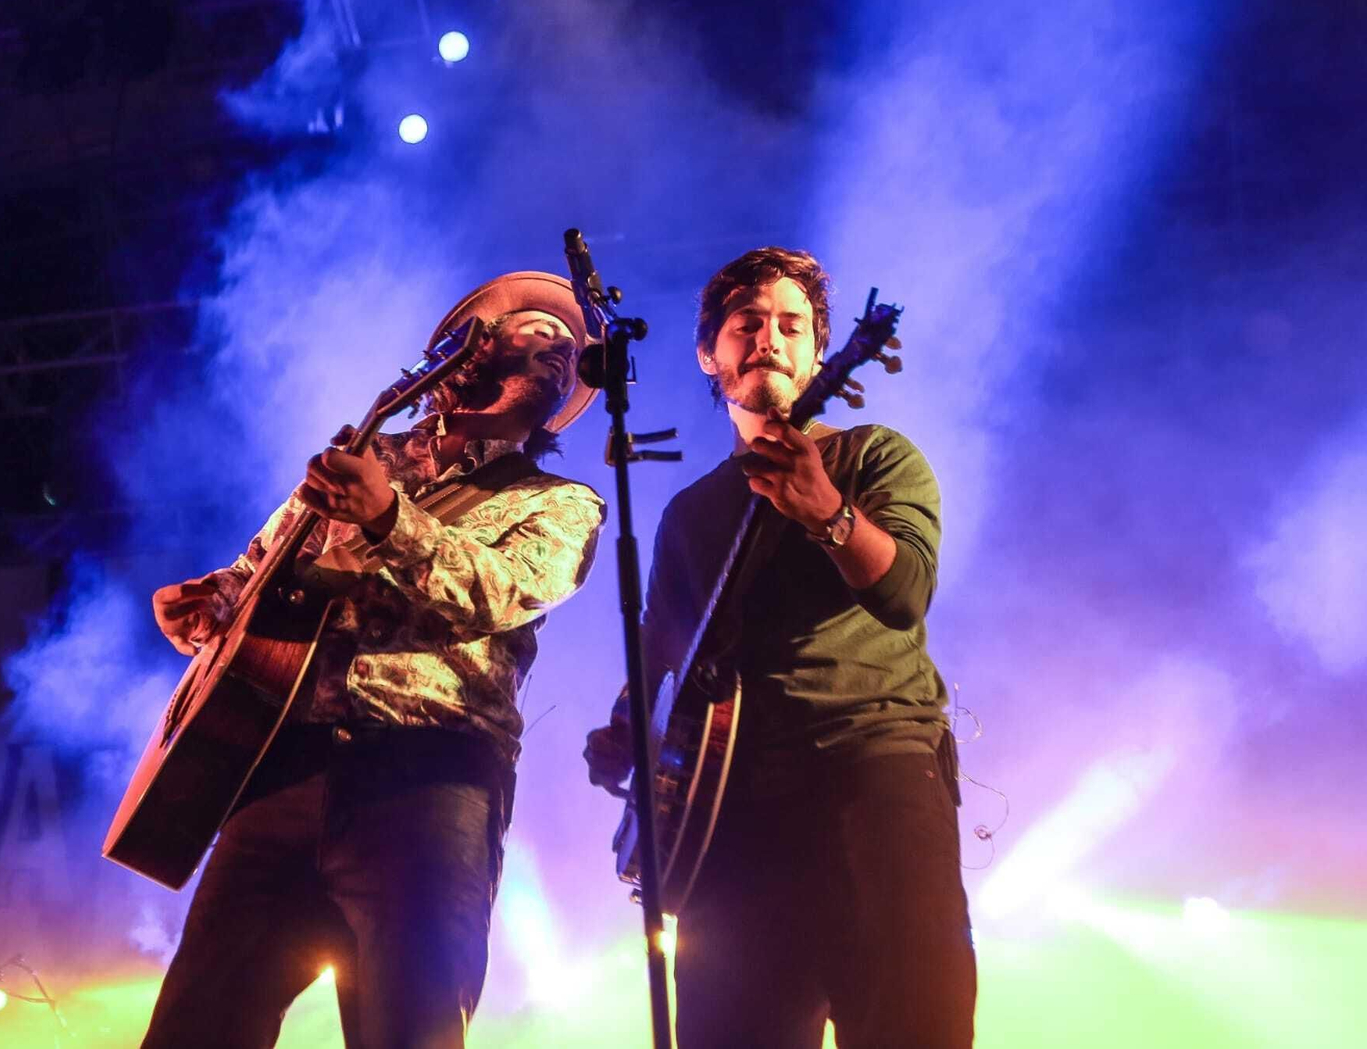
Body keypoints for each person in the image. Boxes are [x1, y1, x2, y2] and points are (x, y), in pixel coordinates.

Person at [142, 272, 606, 1049]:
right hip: (281, 768)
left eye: (564, 345)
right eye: (527, 326)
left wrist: (390, 517)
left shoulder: (558, 502)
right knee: (195, 1028)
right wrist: (210, 603)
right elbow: (262, 570)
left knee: (411, 1033)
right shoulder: (360, 456)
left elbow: (500, 591)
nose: (551, 344)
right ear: (460, 352)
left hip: (429, 783)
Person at [583, 248, 976, 1048]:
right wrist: (628, 731)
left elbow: (903, 595)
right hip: (728, 823)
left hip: (873, 773)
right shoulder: (691, 514)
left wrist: (827, 511)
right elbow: (662, 655)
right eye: (746, 324)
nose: (769, 338)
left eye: (792, 325)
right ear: (709, 354)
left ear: (822, 355)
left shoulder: (874, 456)